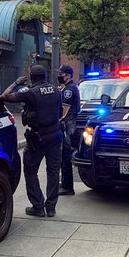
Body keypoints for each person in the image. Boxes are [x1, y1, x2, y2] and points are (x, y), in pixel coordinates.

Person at [0, 65, 62, 217]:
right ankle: (51, 207)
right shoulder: (56, 90)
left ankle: (38, 206)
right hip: (56, 134)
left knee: (30, 170)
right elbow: (60, 111)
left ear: (31, 77)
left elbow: (4, 96)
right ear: (45, 76)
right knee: (53, 171)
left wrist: (16, 82)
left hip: (39, 137)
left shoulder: (30, 93)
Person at [56, 64, 80, 196]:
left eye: (61, 74)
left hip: (67, 126)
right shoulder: (72, 86)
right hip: (71, 125)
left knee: (65, 157)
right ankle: (65, 183)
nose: (59, 76)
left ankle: (67, 187)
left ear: (68, 75)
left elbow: (63, 113)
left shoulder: (68, 90)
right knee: (65, 156)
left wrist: (56, 121)